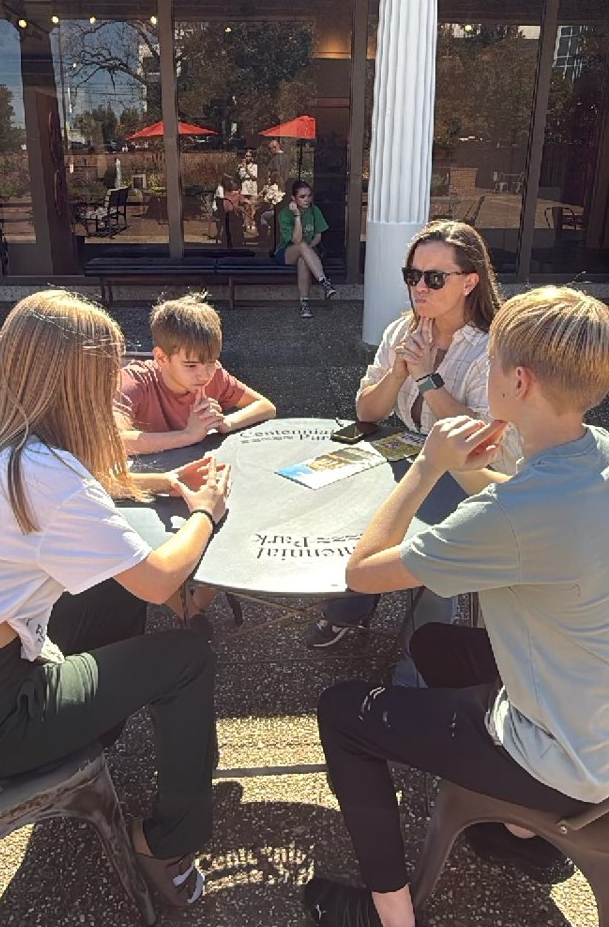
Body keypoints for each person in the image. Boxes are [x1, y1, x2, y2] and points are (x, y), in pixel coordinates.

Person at [305, 285, 609, 927]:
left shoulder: (516, 507)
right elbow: (519, 519)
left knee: (341, 711)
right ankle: (521, 837)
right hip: (593, 720)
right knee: (438, 647)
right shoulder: (589, 454)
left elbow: (361, 572)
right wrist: (475, 471)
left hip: (568, 762)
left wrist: (427, 465)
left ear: (518, 380)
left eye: (493, 360)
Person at [0, 289, 232, 910]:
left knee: (109, 595)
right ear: (75, 381)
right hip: (2, 711)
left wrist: (162, 481)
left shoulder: (11, 447)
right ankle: (168, 843)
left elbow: (90, 484)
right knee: (187, 654)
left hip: (7, 655)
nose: (114, 387)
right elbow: (159, 580)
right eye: (105, 372)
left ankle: (94, 729)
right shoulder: (47, 477)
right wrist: (204, 511)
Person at [307, 220, 520, 654]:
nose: (419, 287)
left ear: (469, 282)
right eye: (412, 275)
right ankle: (349, 607)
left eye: (434, 277)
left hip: (476, 476)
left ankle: (423, 658)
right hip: (412, 456)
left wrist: (426, 378)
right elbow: (367, 411)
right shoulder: (400, 331)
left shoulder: (493, 348)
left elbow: (482, 441)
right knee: (353, 510)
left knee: (431, 557)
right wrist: (399, 371)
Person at [114, 292, 276, 457]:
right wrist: (188, 435)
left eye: (211, 361)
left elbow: (266, 407)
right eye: (191, 365)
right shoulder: (134, 381)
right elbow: (111, 442)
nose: (204, 375)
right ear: (162, 358)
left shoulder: (215, 375)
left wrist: (226, 422)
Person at [274, 180, 337, 318]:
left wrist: (307, 249)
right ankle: (324, 282)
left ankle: (304, 305)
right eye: (302, 196)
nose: (307, 199)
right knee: (301, 245)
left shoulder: (315, 210)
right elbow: (296, 240)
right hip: (286, 253)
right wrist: (297, 216)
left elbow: (318, 235)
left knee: (303, 260)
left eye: (309, 196)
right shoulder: (285, 214)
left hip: (309, 249)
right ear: (293, 198)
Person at [238, 150, 258, 232]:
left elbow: (254, 176)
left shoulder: (255, 166)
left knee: (252, 206)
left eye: (249, 156)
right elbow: (241, 176)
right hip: (244, 187)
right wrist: (243, 168)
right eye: (246, 156)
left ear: (252, 157)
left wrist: (246, 169)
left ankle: (252, 223)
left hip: (252, 187)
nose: (247, 157)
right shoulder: (241, 166)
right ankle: (246, 223)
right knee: (245, 207)